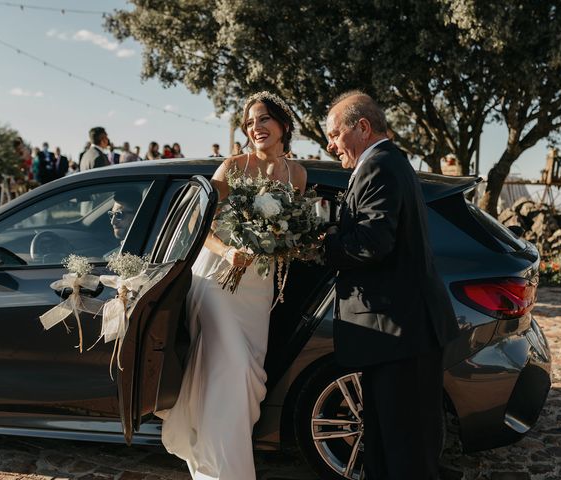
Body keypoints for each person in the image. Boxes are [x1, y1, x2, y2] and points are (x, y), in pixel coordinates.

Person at [159, 91, 306, 480]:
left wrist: (284, 242)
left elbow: (290, 233)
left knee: (244, 376)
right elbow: (198, 227)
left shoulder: (298, 175)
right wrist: (228, 251)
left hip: (259, 287)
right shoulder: (233, 166)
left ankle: (219, 451)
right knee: (234, 367)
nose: (256, 128)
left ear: (283, 125)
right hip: (218, 282)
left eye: (263, 120)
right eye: (251, 122)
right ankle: (226, 471)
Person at [323, 91, 459, 480]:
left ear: (362, 127)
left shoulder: (378, 167)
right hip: (397, 336)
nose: (331, 145)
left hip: (400, 335)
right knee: (389, 446)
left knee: (407, 454)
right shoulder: (389, 163)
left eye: (335, 134)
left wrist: (324, 245)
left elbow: (371, 244)